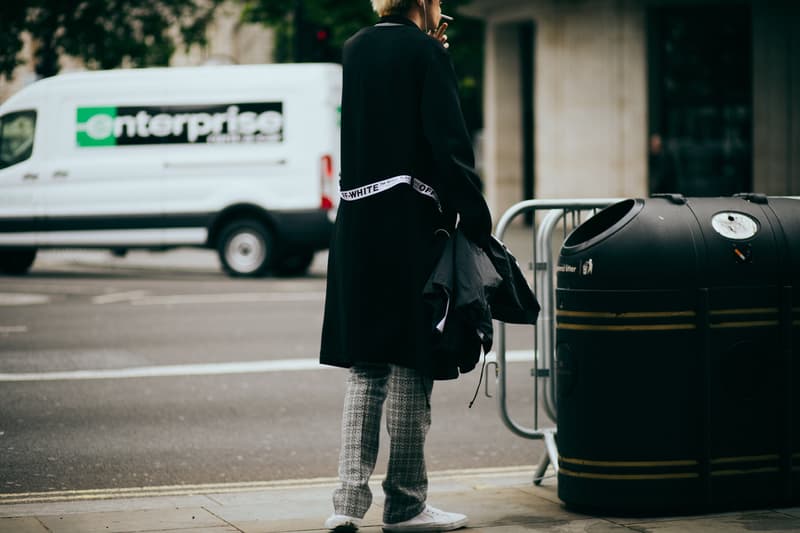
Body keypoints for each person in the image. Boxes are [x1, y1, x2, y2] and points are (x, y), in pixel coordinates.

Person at [319, 0, 493, 531]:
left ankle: (345, 508)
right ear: (423, 2)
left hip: (356, 224)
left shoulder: (354, 49)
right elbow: (448, 145)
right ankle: (405, 504)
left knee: (367, 366)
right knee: (411, 364)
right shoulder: (424, 52)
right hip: (409, 226)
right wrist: (477, 217)